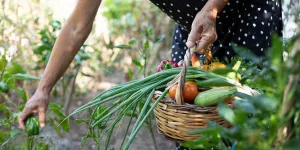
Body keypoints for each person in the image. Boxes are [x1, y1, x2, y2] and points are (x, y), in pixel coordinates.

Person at [18, 0, 283, 149]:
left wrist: (211, 8)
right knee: (191, 129)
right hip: (193, 30)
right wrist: (43, 89)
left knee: (250, 123)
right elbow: (76, 27)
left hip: (248, 17)